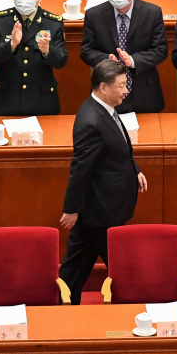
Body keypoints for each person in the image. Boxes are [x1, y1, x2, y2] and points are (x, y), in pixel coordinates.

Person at [58, 59, 147, 305]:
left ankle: (58, 305)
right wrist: (71, 209)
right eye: (121, 85)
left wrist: (134, 170)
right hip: (103, 210)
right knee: (123, 271)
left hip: (101, 209)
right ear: (103, 87)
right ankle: (131, 310)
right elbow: (80, 170)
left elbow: (117, 148)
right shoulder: (91, 121)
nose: (126, 90)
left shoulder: (105, 107)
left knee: (74, 269)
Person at [81, 0, 167, 114]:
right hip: (107, 91)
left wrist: (133, 61)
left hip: (144, 93)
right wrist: (107, 60)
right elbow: (86, 51)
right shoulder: (94, 15)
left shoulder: (152, 13)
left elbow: (160, 51)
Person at [0, 0, 68, 116]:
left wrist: (47, 50)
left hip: (41, 101)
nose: (24, 1)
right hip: (5, 99)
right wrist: (11, 45)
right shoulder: (0, 19)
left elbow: (61, 60)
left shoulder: (53, 22)